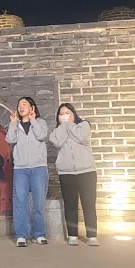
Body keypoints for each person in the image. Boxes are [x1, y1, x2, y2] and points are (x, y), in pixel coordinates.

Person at [49, 103, 99, 246]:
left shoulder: (83, 125)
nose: (64, 116)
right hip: (66, 172)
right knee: (70, 204)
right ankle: (72, 235)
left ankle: (92, 235)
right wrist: (64, 126)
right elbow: (57, 142)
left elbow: (82, 137)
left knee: (88, 204)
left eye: (67, 113)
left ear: (74, 114)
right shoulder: (57, 131)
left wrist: (70, 124)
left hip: (86, 171)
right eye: (61, 114)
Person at [6, 97, 49, 247]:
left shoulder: (40, 123)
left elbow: (42, 135)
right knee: (20, 202)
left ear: (32, 108)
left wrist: (33, 120)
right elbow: (10, 140)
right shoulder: (15, 125)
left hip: (38, 167)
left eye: (24, 104)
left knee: (38, 202)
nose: (21, 107)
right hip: (20, 169)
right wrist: (13, 123)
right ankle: (21, 235)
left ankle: (39, 234)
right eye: (19, 105)